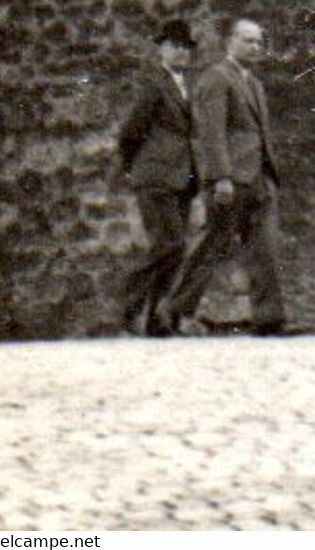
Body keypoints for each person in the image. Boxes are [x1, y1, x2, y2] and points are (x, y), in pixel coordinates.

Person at [158, 18, 286, 336]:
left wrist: (268, 171)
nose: (254, 47)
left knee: (265, 248)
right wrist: (221, 178)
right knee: (213, 245)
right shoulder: (216, 78)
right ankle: (173, 309)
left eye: (258, 42)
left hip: (259, 177)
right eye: (247, 40)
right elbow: (211, 133)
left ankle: (268, 318)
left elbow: (257, 132)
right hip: (230, 180)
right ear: (230, 41)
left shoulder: (253, 83)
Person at [117, 18, 199, 337]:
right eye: (174, 46)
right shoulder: (154, 85)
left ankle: (155, 319)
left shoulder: (187, 86)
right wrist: (134, 168)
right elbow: (130, 133)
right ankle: (127, 301)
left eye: (185, 47)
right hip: (155, 177)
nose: (180, 53)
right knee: (169, 244)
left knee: (175, 248)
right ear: (161, 49)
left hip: (182, 178)